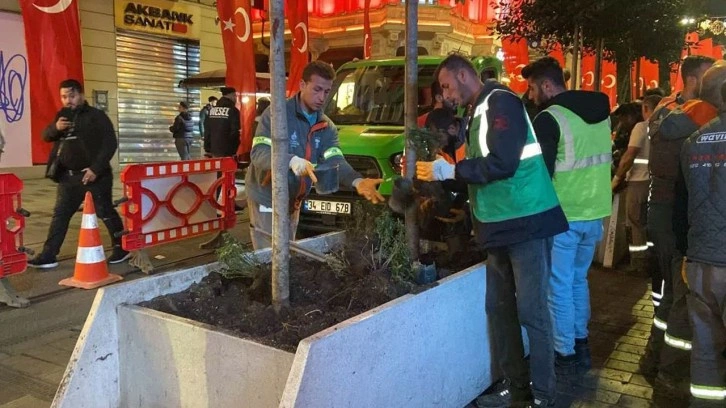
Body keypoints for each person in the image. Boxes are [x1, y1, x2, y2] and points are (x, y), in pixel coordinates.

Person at [416, 54, 568, 408]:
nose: (444, 94)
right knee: (500, 311)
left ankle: (543, 396)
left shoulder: (501, 103)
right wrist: (444, 177)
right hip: (499, 227)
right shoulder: (476, 112)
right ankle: (517, 391)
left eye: (446, 85)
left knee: (532, 312)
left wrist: (450, 173)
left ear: (464, 75)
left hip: (526, 221)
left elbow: (503, 163)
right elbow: (477, 171)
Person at [523, 57, 612, 377]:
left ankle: (564, 352)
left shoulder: (550, 118)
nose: (530, 96)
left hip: (564, 216)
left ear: (547, 85)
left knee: (557, 285)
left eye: (533, 89)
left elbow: (540, 174)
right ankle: (580, 339)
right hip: (596, 210)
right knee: (577, 279)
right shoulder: (602, 113)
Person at [245, 61, 385, 250]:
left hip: (293, 200)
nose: (322, 97)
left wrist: (357, 181)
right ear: (302, 85)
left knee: (286, 252)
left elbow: (335, 160)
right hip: (267, 197)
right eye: (317, 89)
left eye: (327, 92)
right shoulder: (277, 115)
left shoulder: (327, 127)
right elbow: (259, 153)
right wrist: (291, 161)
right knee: (269, 256)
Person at [640, 58, 720, 388]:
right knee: (680, 294)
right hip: (679, 211)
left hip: (659, 207)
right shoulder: (703, 113)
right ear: (692, 79)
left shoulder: (663, 107)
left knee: (667, 291)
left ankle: (654, 357)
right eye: (708, 76)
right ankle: (671, 370)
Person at [28, 79, 129, 269]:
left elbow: (110, 144)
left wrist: (95, 169)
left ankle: (122, 247)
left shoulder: (96, 116)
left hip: (95, 176)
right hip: (68, 177)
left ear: (81, 95)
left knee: (105, 211)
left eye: (72, 96)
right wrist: (55, 128)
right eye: (64, 97)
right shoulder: (62, 117)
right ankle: (49, 255)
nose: (68, 101)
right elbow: (46, 136)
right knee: (60, 215)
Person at [679, 80, 726, 408]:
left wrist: (687, 250)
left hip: (700, 258)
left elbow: (683, 204)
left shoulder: (694, 140)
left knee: (706, 347)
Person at [612, 94, 663, 274]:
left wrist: (617, 178)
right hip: (658, 182)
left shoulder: (642, 127)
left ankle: (639, 264)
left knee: (636, 223)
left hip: (638, 182)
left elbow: (629, 156)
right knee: (652, 223)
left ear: (646, 108)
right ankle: (655, 260)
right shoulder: (666, 126)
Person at [204, 87, 240, 158]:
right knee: (227, 169)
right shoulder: (233, 111)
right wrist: (233, 150)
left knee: (216, 168)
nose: (236, 98)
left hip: (213, 149)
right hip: (228, 151)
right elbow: (235, 132)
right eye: (235, 96)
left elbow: (207, 130)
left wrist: (208, 148)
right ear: (232, 95)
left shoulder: (212, 110)